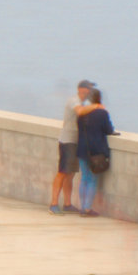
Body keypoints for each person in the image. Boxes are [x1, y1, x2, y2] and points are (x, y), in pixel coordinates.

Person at [52, 80, 93, 213]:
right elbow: (80, 112)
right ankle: (53, 204)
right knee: (63, 172)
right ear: (82, 89)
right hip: (67, 141)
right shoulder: (73, 101)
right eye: (89, 89)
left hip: (77, 142)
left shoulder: (85, 103)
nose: (90, 92)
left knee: (71, 174)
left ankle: (68, 204)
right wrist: (97, 107)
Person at [74, 88, 115, 215]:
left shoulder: (82, 114)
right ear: (99, 99)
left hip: (82, 148)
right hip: (96, 150)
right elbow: (109, 129)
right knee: (92, 179)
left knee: (84, 178)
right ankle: (87, 208)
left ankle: (82, 207)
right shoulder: (102, 113)